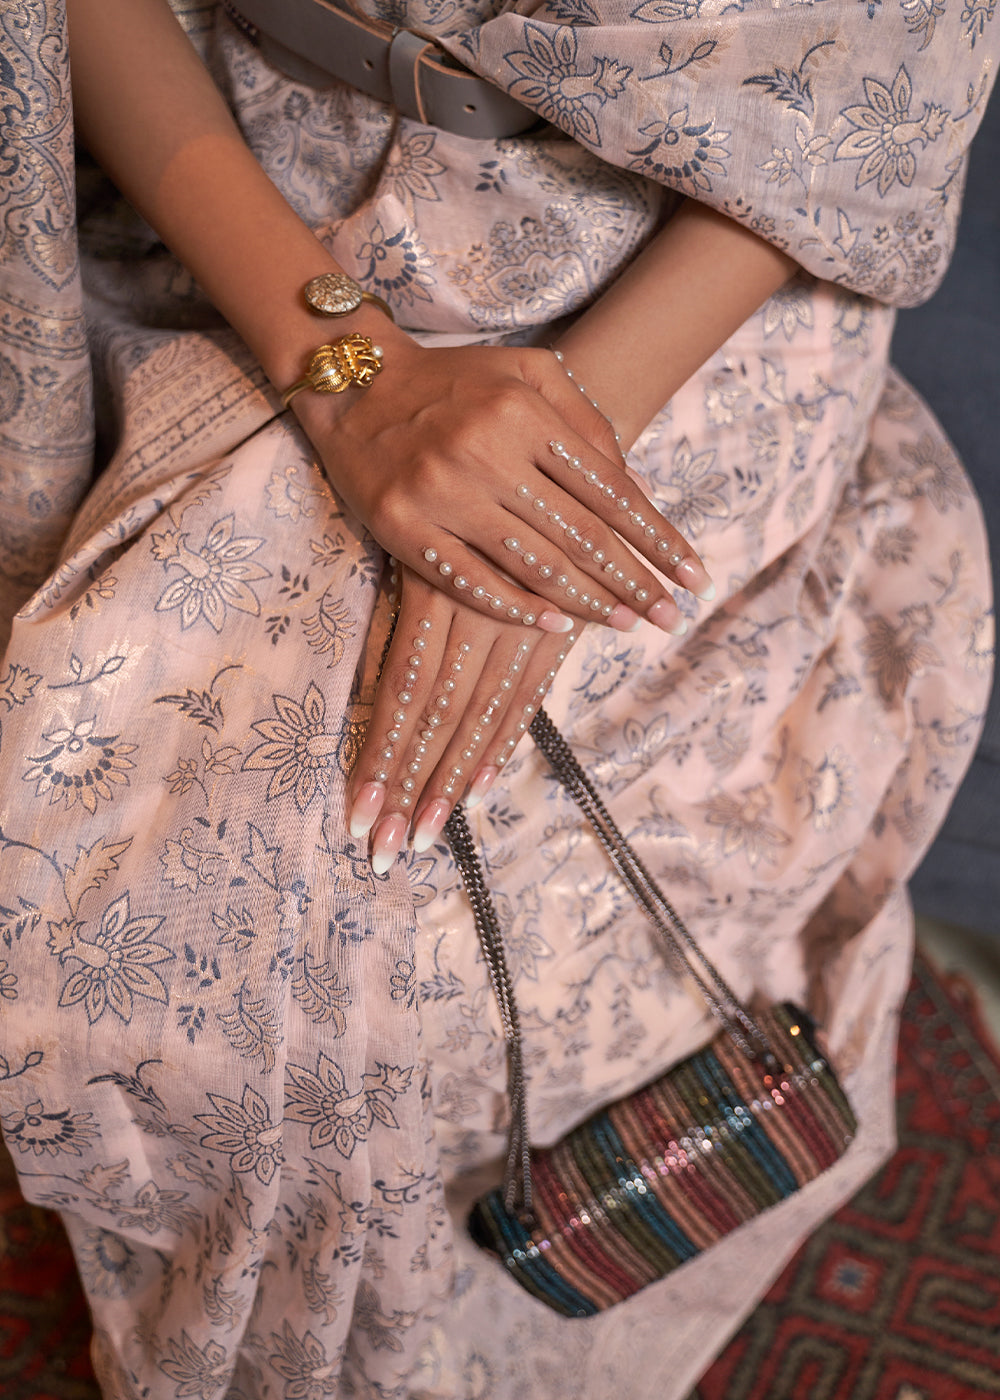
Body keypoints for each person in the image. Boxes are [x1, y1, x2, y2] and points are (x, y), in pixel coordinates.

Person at [0, 0, 994, 1395]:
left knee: (380, 865)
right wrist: (349, 376)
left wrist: (548, 488)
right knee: (148, 869)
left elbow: (883, 78)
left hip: (676, 284)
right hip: (235, 195)